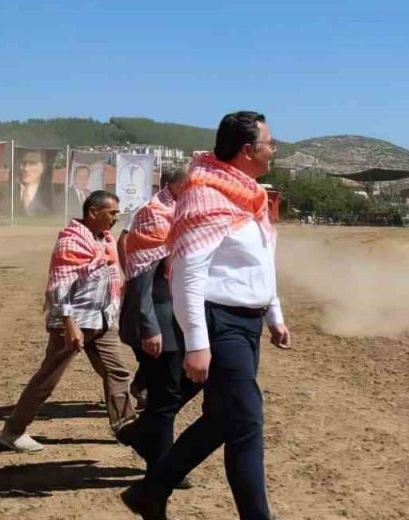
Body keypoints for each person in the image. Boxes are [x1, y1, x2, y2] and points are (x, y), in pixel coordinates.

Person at [124, 112, 291, 520]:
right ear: (248, 150)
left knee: (222, 420)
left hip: (246, 323)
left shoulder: (246, 194)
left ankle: (150, 492)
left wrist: (274, 314)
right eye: (270, 142)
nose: (275, 149)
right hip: (220, 323)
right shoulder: (207, 195)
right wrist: (197, 345)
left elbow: (260, 264)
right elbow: (188, 275)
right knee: (247, 422)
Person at [0, 190, 138, 452]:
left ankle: (126, 427)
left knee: (118, 372)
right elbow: (59, 286)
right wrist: (70, 325)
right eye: (112, 213)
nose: (115, 219)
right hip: (75, 322)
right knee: (48, 379)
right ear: (93, 212)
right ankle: (13, 431)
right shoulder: (71, 241)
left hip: (102, 320)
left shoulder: (104, 239)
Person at [119, 166, 198, 483]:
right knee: (165, 394)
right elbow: (141, 277)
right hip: (155, 317)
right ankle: (162, 468)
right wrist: (149, 326)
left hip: (176, 317)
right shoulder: (155, 214)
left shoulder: (181, 213)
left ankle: (140, 431)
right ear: (178, 185)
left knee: (192, 381)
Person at [16, 149, 53, 217]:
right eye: (23, 163)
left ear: (42, 167)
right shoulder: (8, 192)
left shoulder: (53, 196)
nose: (26, 169)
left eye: (32, 163)